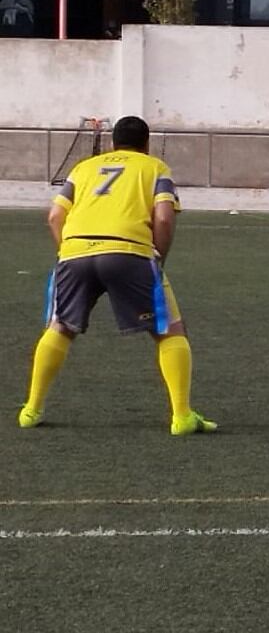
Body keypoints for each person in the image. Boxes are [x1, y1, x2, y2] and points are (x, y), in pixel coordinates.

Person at [17, 115, 217, 436]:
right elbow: (164, 219)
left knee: (60, 327)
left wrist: (67, 251)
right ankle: (182, 416)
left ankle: (31, 409)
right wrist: (158, 259)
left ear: (112, 143)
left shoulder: (83, 168)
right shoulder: (155, 168)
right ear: (147, 144)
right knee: (170, 331)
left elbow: (55, 216)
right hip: (128, 250)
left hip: (75, 251)